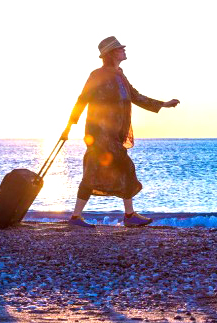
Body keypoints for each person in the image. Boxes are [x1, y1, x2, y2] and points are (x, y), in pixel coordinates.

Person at [62, 36, 179, 227]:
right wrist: (69, 126)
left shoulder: (120, 74)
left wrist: (163, 104)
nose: (124, 50)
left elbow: (135, 96)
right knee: (124, 167)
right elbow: (82, 100)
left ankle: (79, 217)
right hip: (99, 133)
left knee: (95, 173)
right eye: (120, 48)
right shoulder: (97, 75)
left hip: (115, 133)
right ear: (111, 53)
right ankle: (128, 215)